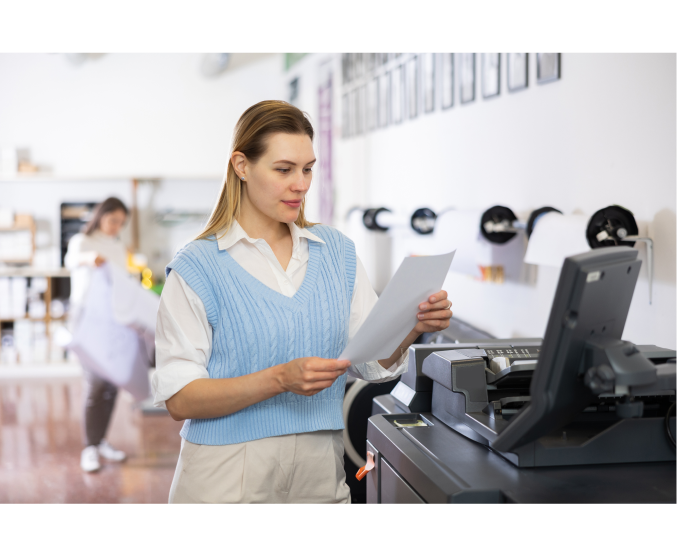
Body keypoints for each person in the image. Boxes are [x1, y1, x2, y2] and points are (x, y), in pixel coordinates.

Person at [153, 100, 453, 504]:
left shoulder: (336, 253)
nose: (301, 184)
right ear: (241, 166)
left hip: (318, 465)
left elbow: (372, 364)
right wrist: (278, 379)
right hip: (225, 471)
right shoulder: (197, 267)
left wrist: (413, 325)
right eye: (284, 169)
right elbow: (180, 398)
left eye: (308, 169)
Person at [65, 197, 130, 473]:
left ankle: (101, 440)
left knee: (112, 386)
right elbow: (71, 261)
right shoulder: (82, 242)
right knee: (94, 385)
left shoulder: (118, 247)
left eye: (121, 223)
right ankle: (89, 448)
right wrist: (88, 259)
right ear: (101, 216)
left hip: (115, 323)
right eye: (113, 220)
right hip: (88, 322)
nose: (116, 227)